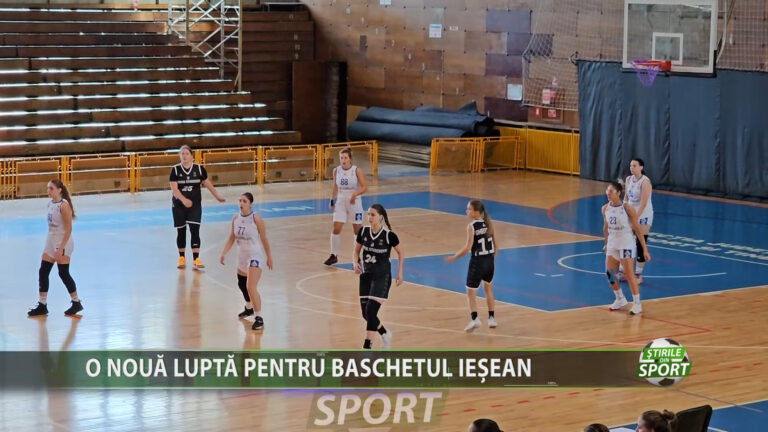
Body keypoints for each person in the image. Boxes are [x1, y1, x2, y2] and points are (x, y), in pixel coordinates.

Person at [28, 179, 83, 317]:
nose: (48, 191)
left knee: (63, 273)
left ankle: (76, 302)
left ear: (59, 190)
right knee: (43, 271)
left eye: (51, 188)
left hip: (63, 242)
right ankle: (42, 304)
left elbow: (68, 229)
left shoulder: (64, 206)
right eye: (48, 188)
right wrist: (50, 244)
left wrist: (60, 248)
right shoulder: (50, 204)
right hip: (51, 241)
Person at [220, 193, 274, 330]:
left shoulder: (256, 219)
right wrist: (223, 253)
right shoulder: (235, 218)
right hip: (242, 257)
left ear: (250, 204)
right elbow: (231, 238)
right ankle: (249, 307)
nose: (241, 203)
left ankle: (259, 317)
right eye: (240, 201)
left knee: (251, 287)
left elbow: (264, 238)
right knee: (241, 284)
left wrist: (269, 256)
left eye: (244, 201)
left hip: (254, 256)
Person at [353, 204, 403, 349]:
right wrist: (355, 262)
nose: (369, 217)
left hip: (382, 276)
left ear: (380, 217)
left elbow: (401, 252)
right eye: (368, 214)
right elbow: (356, 251)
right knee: (366, 314)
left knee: (370, 311)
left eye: (373, 215)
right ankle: (384, 333)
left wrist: (399, 272)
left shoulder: (389, 235)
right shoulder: (363, 231)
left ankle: (367, 347)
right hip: (366, 276)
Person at [445, 200, 497, 332]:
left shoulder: (471, 226)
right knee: (488, 290)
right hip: (490, 262)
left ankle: (475, 319)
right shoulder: (489, 224)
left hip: (477, 263)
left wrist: (455, 256)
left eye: (469, 209)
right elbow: (496, 247)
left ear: (476, 212)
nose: (466, 211)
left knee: (470, 293)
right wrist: (490, 260)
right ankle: (491, 318)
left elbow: (467, 248)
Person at [169, 144, 225, 269]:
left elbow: (208, 184)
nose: (184, 156)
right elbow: (175, 190)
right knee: (181, 231)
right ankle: (181, 258)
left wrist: (217, 196)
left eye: (186, 153)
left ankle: (196, 259)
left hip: (194, 205)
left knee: (195, 230)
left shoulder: (199, 169)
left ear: (191, 156)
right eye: (182, 154)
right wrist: (184, 200)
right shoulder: (175, 170)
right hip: (179, 205)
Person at [603, 180, 651, 315]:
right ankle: (620, 299)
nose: (608, 193)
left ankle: (637, 303)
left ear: (618, 193)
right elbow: (605, 228)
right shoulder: (605, 208)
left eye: (611, 191)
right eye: (607, 191)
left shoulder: (627, 208)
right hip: (613, 244)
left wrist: (644, 249)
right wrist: (606, 243)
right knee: (609, 274)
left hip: (626, 243)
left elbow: (637, 229)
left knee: (629, 274)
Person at [324, 148, 366, 266]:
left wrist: (355, 194)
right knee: (336, 227)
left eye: (345, 158)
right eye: (341, 158)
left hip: (354, 201)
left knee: (357, 230)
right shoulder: (336, 170)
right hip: (341, 200)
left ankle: (357, 257)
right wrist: (331, 199)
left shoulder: (356, 170)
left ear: (350, 159)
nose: (343, 160)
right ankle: (333, 255)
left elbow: (364, 187)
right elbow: (335, 186)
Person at [623, 158, 654, 284]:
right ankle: (624, 270)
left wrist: (635, 218)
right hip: (631, 211)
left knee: (640, 242)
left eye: (634, 165)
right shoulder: (628, 179)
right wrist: (623, 210)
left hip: (643, 213)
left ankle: (638, 274)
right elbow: (626, 198)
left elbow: (643, 203)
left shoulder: (645, 182)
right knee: (625, 240)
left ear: (641, 167)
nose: (631, 168)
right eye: (631, 165)